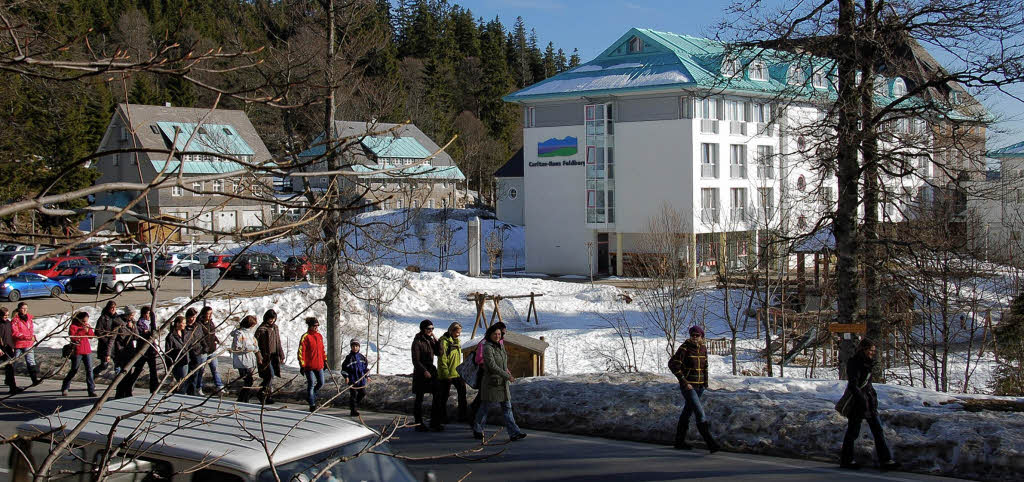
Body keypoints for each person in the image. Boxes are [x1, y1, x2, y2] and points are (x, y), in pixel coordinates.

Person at [839, 339, 899, 470]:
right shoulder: (855, 363)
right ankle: (846, 459)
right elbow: (854, 385)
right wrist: (862, 400)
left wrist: (871, 399)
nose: (873, 352)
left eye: (874, 350)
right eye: (871, 350)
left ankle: (886, 460)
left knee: (878, 430)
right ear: (864, 349)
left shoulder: (868, 362)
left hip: (869, 402)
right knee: (853, 432)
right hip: (858, 403)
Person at [471, 322, 526, 442]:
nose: (497, 336)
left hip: (502, 383)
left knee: (507, 408)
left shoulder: (501, 346)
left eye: (499, 334)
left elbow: (502, 363)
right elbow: (492, 365)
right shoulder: (487, 347)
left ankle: (514, 432)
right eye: (495, 334)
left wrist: (508, 372)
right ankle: (478, 428)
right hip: (491, 382)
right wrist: (506, 375)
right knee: (485, 407)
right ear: (489, 334)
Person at [668, 325, 719, 453]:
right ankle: (711, 443)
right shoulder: (685, 348)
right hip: (688, 386)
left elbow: (705, 367)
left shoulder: (703, 348)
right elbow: (673, 365)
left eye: (697, 335)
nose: (695, 337)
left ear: (702, 336)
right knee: (699, 412)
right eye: (693, 335)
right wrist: (684, 381)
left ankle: (679, 441)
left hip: (699, 386)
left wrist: (705, 383)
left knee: (687, 411)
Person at [411, 319, 441, 431]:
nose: (430, 331)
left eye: (432, 329)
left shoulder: (430, 340)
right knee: (419, 398)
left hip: (431, 370)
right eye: (429, 329)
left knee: (437, 395)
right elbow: (415, 360)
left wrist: (437, 341)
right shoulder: (417, 342)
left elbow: (440, 353)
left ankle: (435, 421)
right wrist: (424, 371)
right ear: (423, 329)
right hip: (421, 372)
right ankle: (418, 423)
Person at [436, 322, 467, 423]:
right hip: (447, 373)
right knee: (444, 396)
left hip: (456, 372)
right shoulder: (444, 342)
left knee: (462, 392)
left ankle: (463, 415)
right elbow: (442, 359)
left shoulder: (457, 341)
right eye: (457, 332)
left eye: (460, 332)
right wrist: (446, 374)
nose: (458, 334)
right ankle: (442, 417)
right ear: (451, 331)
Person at [61, 311, 96, 397]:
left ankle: (91, 390)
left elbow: (91, 336)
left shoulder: (87, 325)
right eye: (83, 321)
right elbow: (73, 338)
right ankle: (65, 386)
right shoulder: (73, 326)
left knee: (89, 370)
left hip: (87, 350)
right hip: (77, 351)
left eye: (86, 321)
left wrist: (88, 330)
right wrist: (82, 330)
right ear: (79, 320)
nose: (85, 323)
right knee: (74, 369)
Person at [192, 306, 224, 395]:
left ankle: (219, 386)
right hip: (203, 351)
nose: (210, 315)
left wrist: (216, 339)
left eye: (211, 313)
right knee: (201, 371)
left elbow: (212, 333)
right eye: (208, 313)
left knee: (215, 368)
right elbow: (200, 337)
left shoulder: (210, 323)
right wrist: (203, 347)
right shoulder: (199, 324)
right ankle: (198, 387)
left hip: (212, 350)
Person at [254, 309, 284, 404]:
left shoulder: (275, 328)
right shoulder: (261, 329)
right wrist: (259, 356)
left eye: (273, 319)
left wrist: (281, 354)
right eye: (270, 319)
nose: (271, 321)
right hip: (265, 356)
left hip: (274, 356)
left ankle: (266, 395)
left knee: (271, 376)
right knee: (269, 375)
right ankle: (262, 393)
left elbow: (278, 342)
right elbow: (255, 343)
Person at [298, 317, 327, 412]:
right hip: (309, 366)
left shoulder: (319, 336)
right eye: (315, 326)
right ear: (310, 326)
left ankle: (311, 395)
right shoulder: (305, 337)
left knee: (321, 382)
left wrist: (325, 360)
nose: (316, 327)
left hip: (319, 364)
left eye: (317, 326)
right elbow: (301, 352)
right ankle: (312, 404)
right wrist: (302, 365)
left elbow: (322, 350)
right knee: (311, 383)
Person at [230, 315, 259, 403]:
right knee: (247, 380)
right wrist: (251, 348)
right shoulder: (239, 333)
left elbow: (256, 345)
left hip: (249, 360)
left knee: (249, 381)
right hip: (242, 360)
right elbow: (237, 347)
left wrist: (255, 348)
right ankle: (243, 398)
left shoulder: (250, 334)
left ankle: (244, 398)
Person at [10, 302, 40, 387]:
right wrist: (27, 337)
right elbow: (15, 333)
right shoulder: (15, 320)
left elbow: (30, 330)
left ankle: (34, 379)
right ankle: (10, 381)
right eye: (23, 308)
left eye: (26, 308)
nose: (25, 310)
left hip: (28, 344)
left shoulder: (29, 319)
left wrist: (33, 337)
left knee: (31, 361)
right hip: (18, 344)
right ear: (19, 309)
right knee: (14, 362)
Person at [112, 308, 139, 399]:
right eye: (131, 315)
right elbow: (113, 339)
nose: (132, 317)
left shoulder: (133, 322)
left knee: (128, 373)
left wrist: (132, 327)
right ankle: (119, 393)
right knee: (121, 374)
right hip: (120, 352)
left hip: (129, 351)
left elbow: (136, 336)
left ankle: (127, 392)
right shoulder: (118, 322)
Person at [133, 306, 160, 394]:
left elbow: (154, 333)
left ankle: (154, 389)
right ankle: (129, 386)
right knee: (138, 370)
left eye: (149, 314)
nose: (148, 316)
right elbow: (140, 334)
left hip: (151, 350)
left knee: (153, 370)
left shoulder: (151, 323)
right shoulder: (140, 323)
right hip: (143, 350)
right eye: (147, 314)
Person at [342, 338, 369, 416]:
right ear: (351, 347)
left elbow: (365, 368)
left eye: (356, 346)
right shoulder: (348, 358)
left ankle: (354, 405)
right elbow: (344, 369)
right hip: (352, 380)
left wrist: (367, 376)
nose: (355, 348)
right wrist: (346, 377)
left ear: (359, 347)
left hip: (361, 380)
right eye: (353, 346)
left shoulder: (362, 357)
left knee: (363, 393)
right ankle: (353, 410)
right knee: (353, 395)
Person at [0, 307, 24, 394]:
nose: (6, 317)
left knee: (9, 368)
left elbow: (9, 336)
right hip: (0, 349)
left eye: (7, 315)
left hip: (7, 349)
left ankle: (12, 387)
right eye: (4, 315)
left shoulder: (8, 323)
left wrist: (12, 346)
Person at [164, 315, 191, 392]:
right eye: (183, 323)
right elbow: (168, 352)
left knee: (184, 381)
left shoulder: (185, 333)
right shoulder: (171, 336)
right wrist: (169, 364)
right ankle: (180, 395)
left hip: (185, 360)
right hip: (177, 362)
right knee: (181, 382)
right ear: (178, 324)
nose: (185, 325)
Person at [92, 301, 119, 376]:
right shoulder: (103, 318)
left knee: (118, 364)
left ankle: (118, 382)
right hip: (105, 345)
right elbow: (97, 332)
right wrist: (106, 339)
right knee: (104, 365)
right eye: (111, 307)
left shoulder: (117, 318)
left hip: (115, 345)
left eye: (115, 307)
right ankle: (93, 375)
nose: (113, 309)